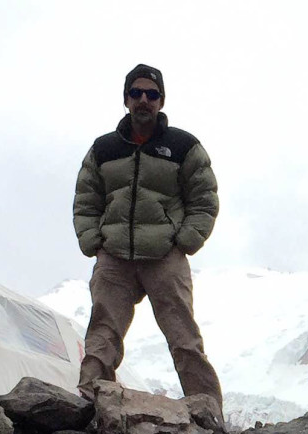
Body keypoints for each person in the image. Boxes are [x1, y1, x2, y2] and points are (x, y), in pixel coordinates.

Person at [73, 64, 222, 413]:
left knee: (184, 339)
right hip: (114, 257)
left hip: (164, 256)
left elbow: (205, 198)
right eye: (136, 93)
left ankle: (208, 415)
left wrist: (185, 241)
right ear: (126, 99)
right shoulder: (104, 148)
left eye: (151, 94)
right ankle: (90, 408)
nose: (144, 100)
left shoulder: (183, 146)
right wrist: (93, 240)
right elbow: (86, 197)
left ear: (161, 100)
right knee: (102, 336)